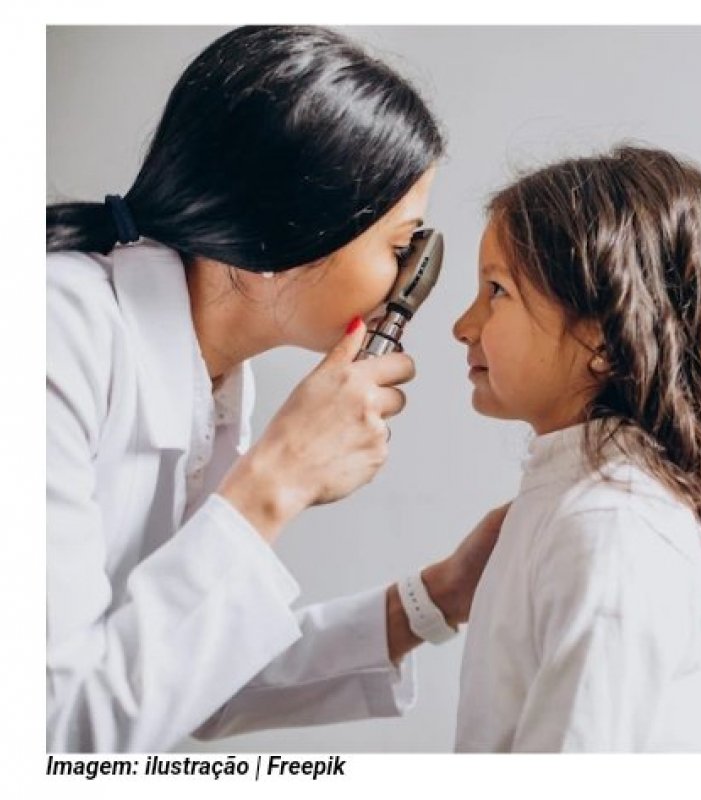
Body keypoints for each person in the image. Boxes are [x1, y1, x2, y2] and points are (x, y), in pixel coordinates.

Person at [46, 25, 505, 753]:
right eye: (398, 246)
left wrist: (437, 598)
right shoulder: (51, 333)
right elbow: (61, 732)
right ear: (283, 234)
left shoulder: (219, 382)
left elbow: (181, 673)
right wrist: (276, 481)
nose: (409, 282)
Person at [450, 145, 701, 753]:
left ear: (602, 334)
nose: (464, 324)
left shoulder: (609, 529)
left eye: (497, 291)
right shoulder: (580, 508)